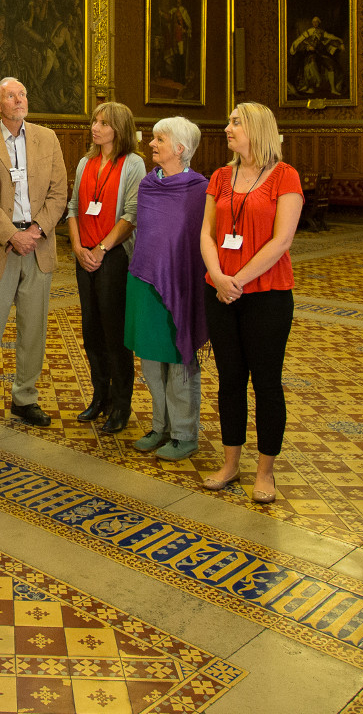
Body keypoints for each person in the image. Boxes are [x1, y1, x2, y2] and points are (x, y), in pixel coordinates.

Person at [200, 102, 304, 503]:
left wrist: (238, 280)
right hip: (221, 292)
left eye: (235, 122)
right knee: (229, 381)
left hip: (267, 297)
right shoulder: (221, 176)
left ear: (257, 128)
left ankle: (265, 471)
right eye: (228, 121)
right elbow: (207, 234)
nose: (227, 128)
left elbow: (282, 241)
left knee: (265, 383)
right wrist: (220, 279)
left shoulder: (285, 176)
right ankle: (229, 464)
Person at [0, 76, 68, 430]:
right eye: (11, 95)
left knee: (33, 327)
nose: (20, 99)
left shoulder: (47, 138)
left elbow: (58, 192)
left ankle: (25, 397)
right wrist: (12, 235)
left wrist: (36, 230)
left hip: (39, 245)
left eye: (23, 93)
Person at [124, 117, 209, 460]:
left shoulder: (200, 190)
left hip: (181, 284)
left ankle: (185, 433)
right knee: (150, 361)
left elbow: (197, 243)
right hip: (144, 281)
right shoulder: (148, 184)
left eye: (160, 139)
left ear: (180, 149)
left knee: (178, 361)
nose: (152, 144)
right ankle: (160, 426)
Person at [66, 102, 146, 434]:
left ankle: (120, 404)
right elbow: (72, 206)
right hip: (84, 255)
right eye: (94, 122)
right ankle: (99, 397)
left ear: (119, 129)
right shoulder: (87, 162)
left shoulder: (134, 163)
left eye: (103, 123)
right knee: (91, 330)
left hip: (114, 256)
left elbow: (131, 214)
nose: (95, 128)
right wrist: (77, 247)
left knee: (115, 333)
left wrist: (100, 249)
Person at [289, 16, 345, 98]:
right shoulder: (309, 32)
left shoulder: (322, 32)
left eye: (317, 22)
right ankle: (317, 80)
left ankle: (333, 89)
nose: (315, 23)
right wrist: (303, 48)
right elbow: (299, 41)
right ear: (312, 23)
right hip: (310, 54)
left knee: (330, 66)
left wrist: (340, 41)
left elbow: (331, 36)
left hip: (320, 54)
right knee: (312, 62)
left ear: (319, 23)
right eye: (314, 22)